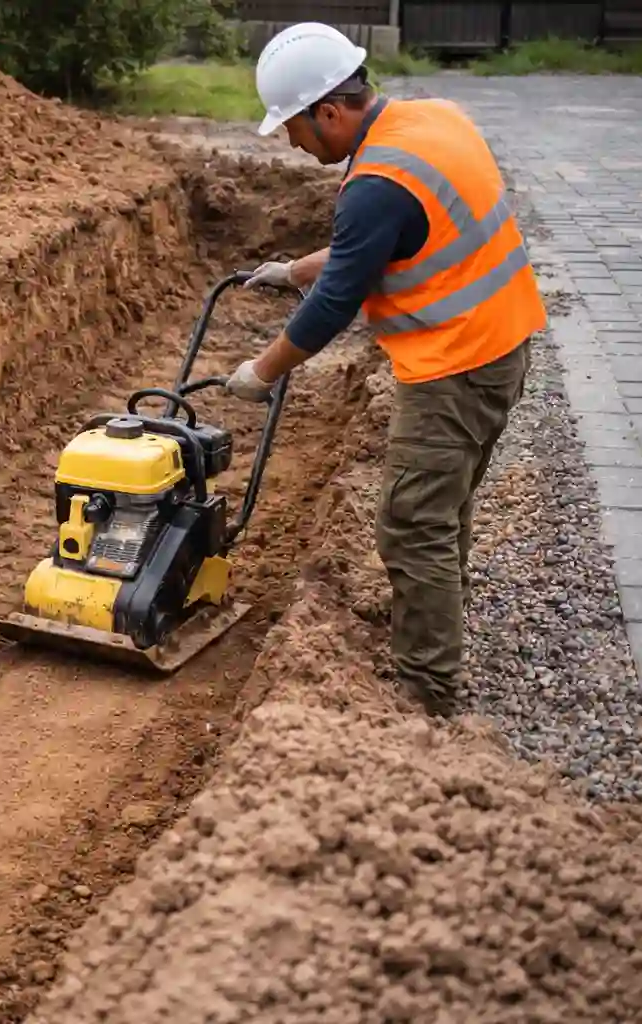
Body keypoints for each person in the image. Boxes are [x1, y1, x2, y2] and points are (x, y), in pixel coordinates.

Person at [226, 22, 547, 717]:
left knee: (411, 523)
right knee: (444, 508)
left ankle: (424, 691)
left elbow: (338, 299)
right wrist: (293, 269)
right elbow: (382, 243)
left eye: (293, 127)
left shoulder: (374, 184)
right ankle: (440, 625)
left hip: (454, 366)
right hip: (502, 342)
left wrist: (262, 371)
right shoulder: (431, 120)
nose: (291, 142)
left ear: (330, 113)